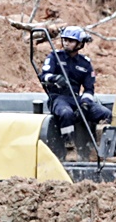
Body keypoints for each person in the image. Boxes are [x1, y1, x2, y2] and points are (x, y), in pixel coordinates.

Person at [40, 26, 111, 164]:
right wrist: (55, 79)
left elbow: (89, 89)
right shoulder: (54, 57)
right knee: (66, 113)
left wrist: (85, 103)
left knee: (105, 114)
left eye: (70, 41)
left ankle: (99, 151)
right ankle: (70, 148)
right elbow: (44, 76)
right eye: (64, 40)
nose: (66, 43)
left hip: (76, 99)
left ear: (80, 44)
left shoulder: (85, 64)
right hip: (58, 98)